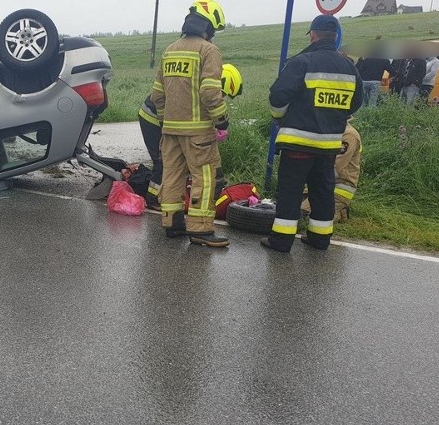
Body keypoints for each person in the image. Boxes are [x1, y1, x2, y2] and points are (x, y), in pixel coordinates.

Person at [262, 14, 363, 253]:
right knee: (322, 191)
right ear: (336, 37)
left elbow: (277, 96)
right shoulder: (349, 66)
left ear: (313, 35)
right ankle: (319, 239)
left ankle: (281, 241)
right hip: (329, 145)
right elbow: (356, 102)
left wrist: (280, 119)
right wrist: (334, 117)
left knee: (290, 190)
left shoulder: (302, 61)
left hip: (298, 142)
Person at [150, 0, 231, 247]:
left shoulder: (169, 50)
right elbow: (209, 92)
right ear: (208, 28)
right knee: (204, 178)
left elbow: (157, 94)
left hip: (171, 130)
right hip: (198, 133)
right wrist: (221, 119)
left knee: (172, 176)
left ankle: (171, 223)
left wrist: (166, 120)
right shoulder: (209, 51)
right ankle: (201, 230)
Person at [139, 63, 243, 210]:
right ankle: (153, 198)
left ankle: (165, 194)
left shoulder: (201, 83)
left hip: (167, 119)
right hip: (153, 117)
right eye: (223, 93)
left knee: (174, 159)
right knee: (164, 160)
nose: (223, 97)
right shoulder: (201, 87)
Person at [301, 120, 362, 223]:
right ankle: (335, 210)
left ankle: (337, 212)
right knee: (290, 208)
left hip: (337, 187)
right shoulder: (330, 131)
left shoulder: (348, 135)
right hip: (321, 184)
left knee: (304, 217)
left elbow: (335, 167)